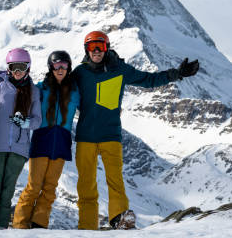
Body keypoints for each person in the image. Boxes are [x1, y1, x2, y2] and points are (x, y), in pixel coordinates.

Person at [72, 31, 199, 230]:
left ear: (107, 48)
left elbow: (148, 80)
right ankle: (86, 228)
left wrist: (177, 74)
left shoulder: (120, 69)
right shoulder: (79, 73)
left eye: (100, 46)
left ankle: (119, 219)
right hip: (85, 137)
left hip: (111, 135)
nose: (96, 51)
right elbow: (58, 88)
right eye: (92, 47)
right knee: (86, 184)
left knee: (115, 181)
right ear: (86, 50)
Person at [12, 51, 80, 229]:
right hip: (42, 139)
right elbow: (21, 88)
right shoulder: (41, 88)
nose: (60, 69)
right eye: (56, 65)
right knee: (33, 187)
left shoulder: (75, 91)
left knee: (50, 188)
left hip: (62, 142)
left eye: (64, 65)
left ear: (68, 68)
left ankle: (39, 226)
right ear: (51, 67)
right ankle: (19, 225)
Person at [0, 48, 42, 229]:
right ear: (9, 69)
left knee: (8, 190)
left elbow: (37, 121)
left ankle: (1, 226)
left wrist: (24, 122)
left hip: (19, 149)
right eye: (14, 67)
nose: (17, 72)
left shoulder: (34, 92)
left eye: (21, 67)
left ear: (28, 68)